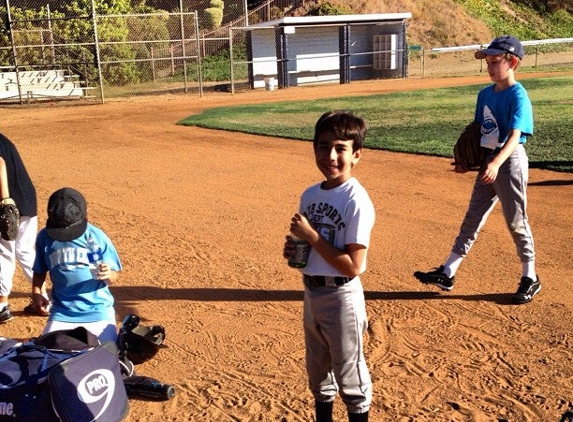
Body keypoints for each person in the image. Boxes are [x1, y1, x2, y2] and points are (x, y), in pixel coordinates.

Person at [414, 35, 540, 304]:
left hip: (510, 161)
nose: (489, 67)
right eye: (488, 62)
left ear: (513, 62)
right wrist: (468, 163)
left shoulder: (519, 96)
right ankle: (448, 272)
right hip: (488, 163)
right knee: (472, 218)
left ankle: (530, 276)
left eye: (495, 62)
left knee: (516, 221)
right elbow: (480, 134)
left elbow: (515, 136)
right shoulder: (484, 95)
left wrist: (496, 163)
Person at [283, 111, 375, 422]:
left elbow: (353, 266)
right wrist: (297, 249)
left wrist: (311, 235)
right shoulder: (309, 195)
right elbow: (305, 253)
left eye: (340, 148)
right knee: (317, 370)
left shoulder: (356, 200)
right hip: (312, 292)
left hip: (342, 298)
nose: (331, 156)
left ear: (356, 155)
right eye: (323, 147)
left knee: (350, 375)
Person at [31, 187, 122, 342]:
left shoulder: (97, 237)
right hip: (61, 312)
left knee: (106, 357)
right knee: (48, 357)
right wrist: (36, 292)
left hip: (98, 311)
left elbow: (115, 276)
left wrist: (109, 274)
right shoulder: (45, 237)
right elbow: (40, 270)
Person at [0, 133, 46, 323]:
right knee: (25, 250)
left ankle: (1, 304)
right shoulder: (3, 139)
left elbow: (0, 164)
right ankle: (43, 299)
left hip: (8, 202)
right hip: (27, 199)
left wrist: (5, 200)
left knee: (3, 251)